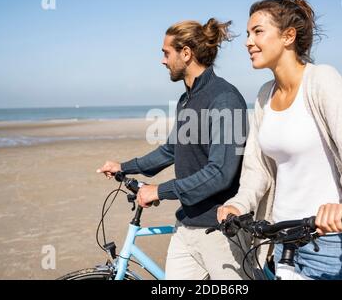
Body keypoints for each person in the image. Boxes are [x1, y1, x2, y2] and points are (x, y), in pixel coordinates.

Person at [217, 0, 342, 280]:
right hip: (280, 238)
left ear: (288, 36)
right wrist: (239, 203)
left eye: (258, 31)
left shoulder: (322, 80)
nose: (248, 41)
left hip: (330, 241)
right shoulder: (263, 96)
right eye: (248, 33)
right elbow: (257, 169)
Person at [97, 18, 249, 279]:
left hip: (220, 232)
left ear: (186, 53)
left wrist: (160, 191)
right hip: (186, 228)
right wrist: (124, 166)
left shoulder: (225, 99)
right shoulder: (186, 99)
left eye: (166, 53)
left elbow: (221, 172)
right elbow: (170, 150)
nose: (163, 60)